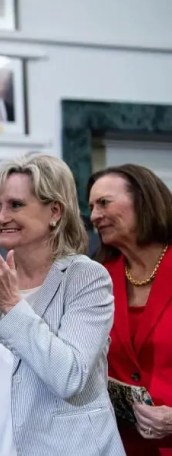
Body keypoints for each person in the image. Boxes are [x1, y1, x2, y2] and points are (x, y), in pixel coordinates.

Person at [0, 153, 124, 456]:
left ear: (55, 211)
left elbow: (69, 377)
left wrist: (11, 303)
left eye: (16, 205)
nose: (1, 217)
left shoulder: (85, 277)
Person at [88, 164, 172, 455]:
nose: (95, 215)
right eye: (91, 206)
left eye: (104, 203)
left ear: (142, 199)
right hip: (117, 445)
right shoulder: (95, 277)